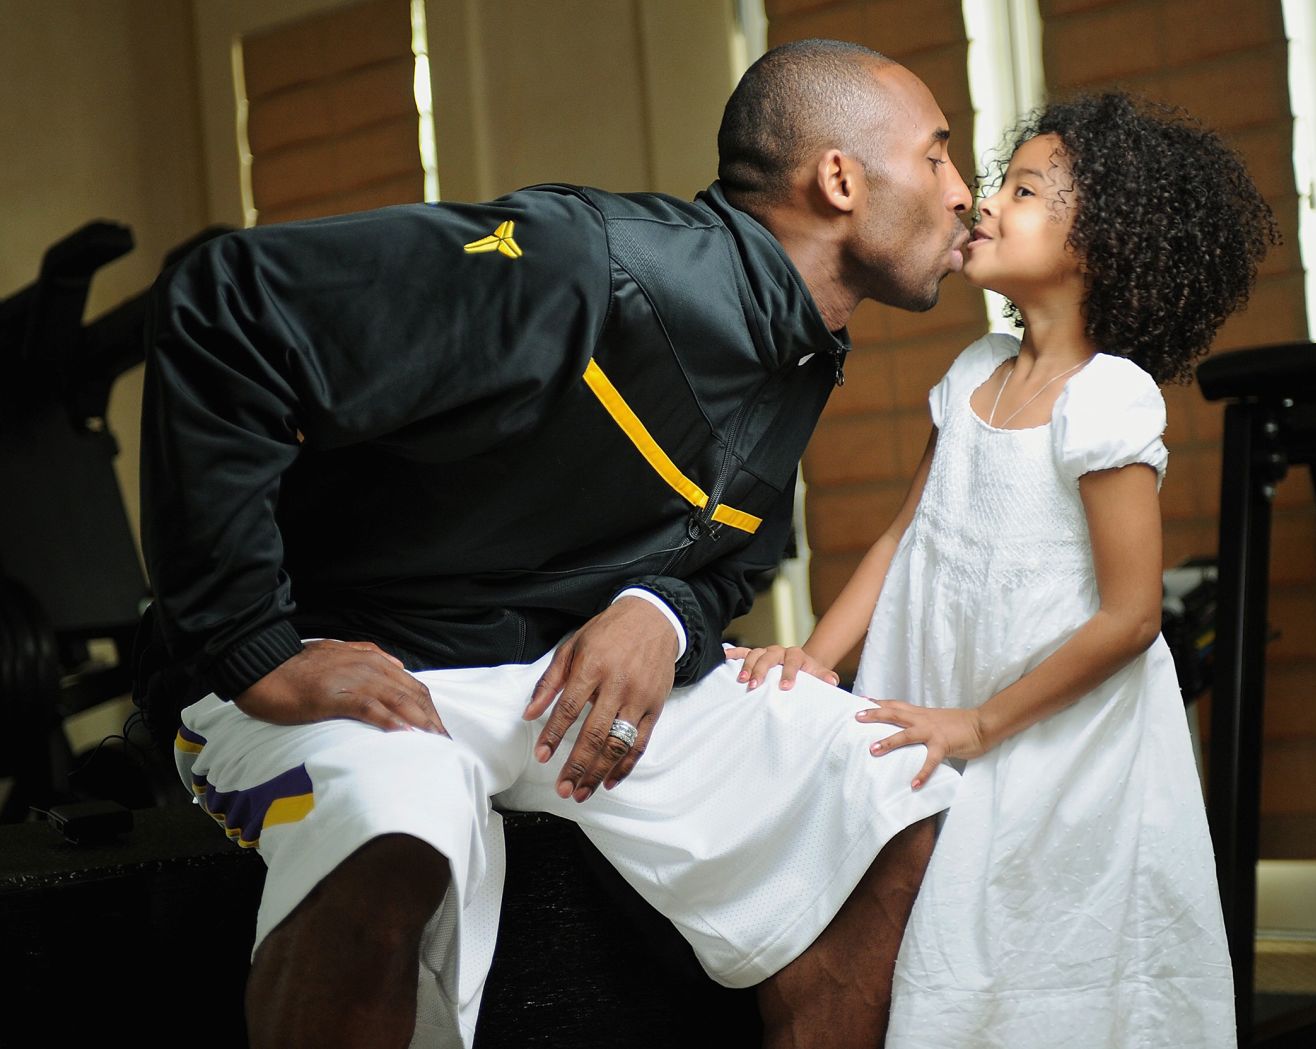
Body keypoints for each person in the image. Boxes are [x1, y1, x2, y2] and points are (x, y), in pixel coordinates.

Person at [137, 39, 974, 1049]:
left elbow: (737, 561)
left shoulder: (798, 348)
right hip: (362, 665)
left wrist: (658, 615)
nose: (963, 191)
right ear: (839, 178)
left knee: (881, 781)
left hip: (546, 686)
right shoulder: (590, 262)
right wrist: (255, 652)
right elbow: (229, 299)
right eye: (936, 155)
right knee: (401, 814)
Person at [727, 92, 1279, 1048]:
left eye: (1023, 191)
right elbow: (906, 539)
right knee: (943, 951)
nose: (983, 204)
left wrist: (980, 722)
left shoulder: (1107, 400)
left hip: (1057, 750)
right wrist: (819, 659)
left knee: (1049, 963)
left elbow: (1131, 614)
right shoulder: (971, 375)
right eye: (997, 183)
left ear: (1099, 245)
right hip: (951, 715)